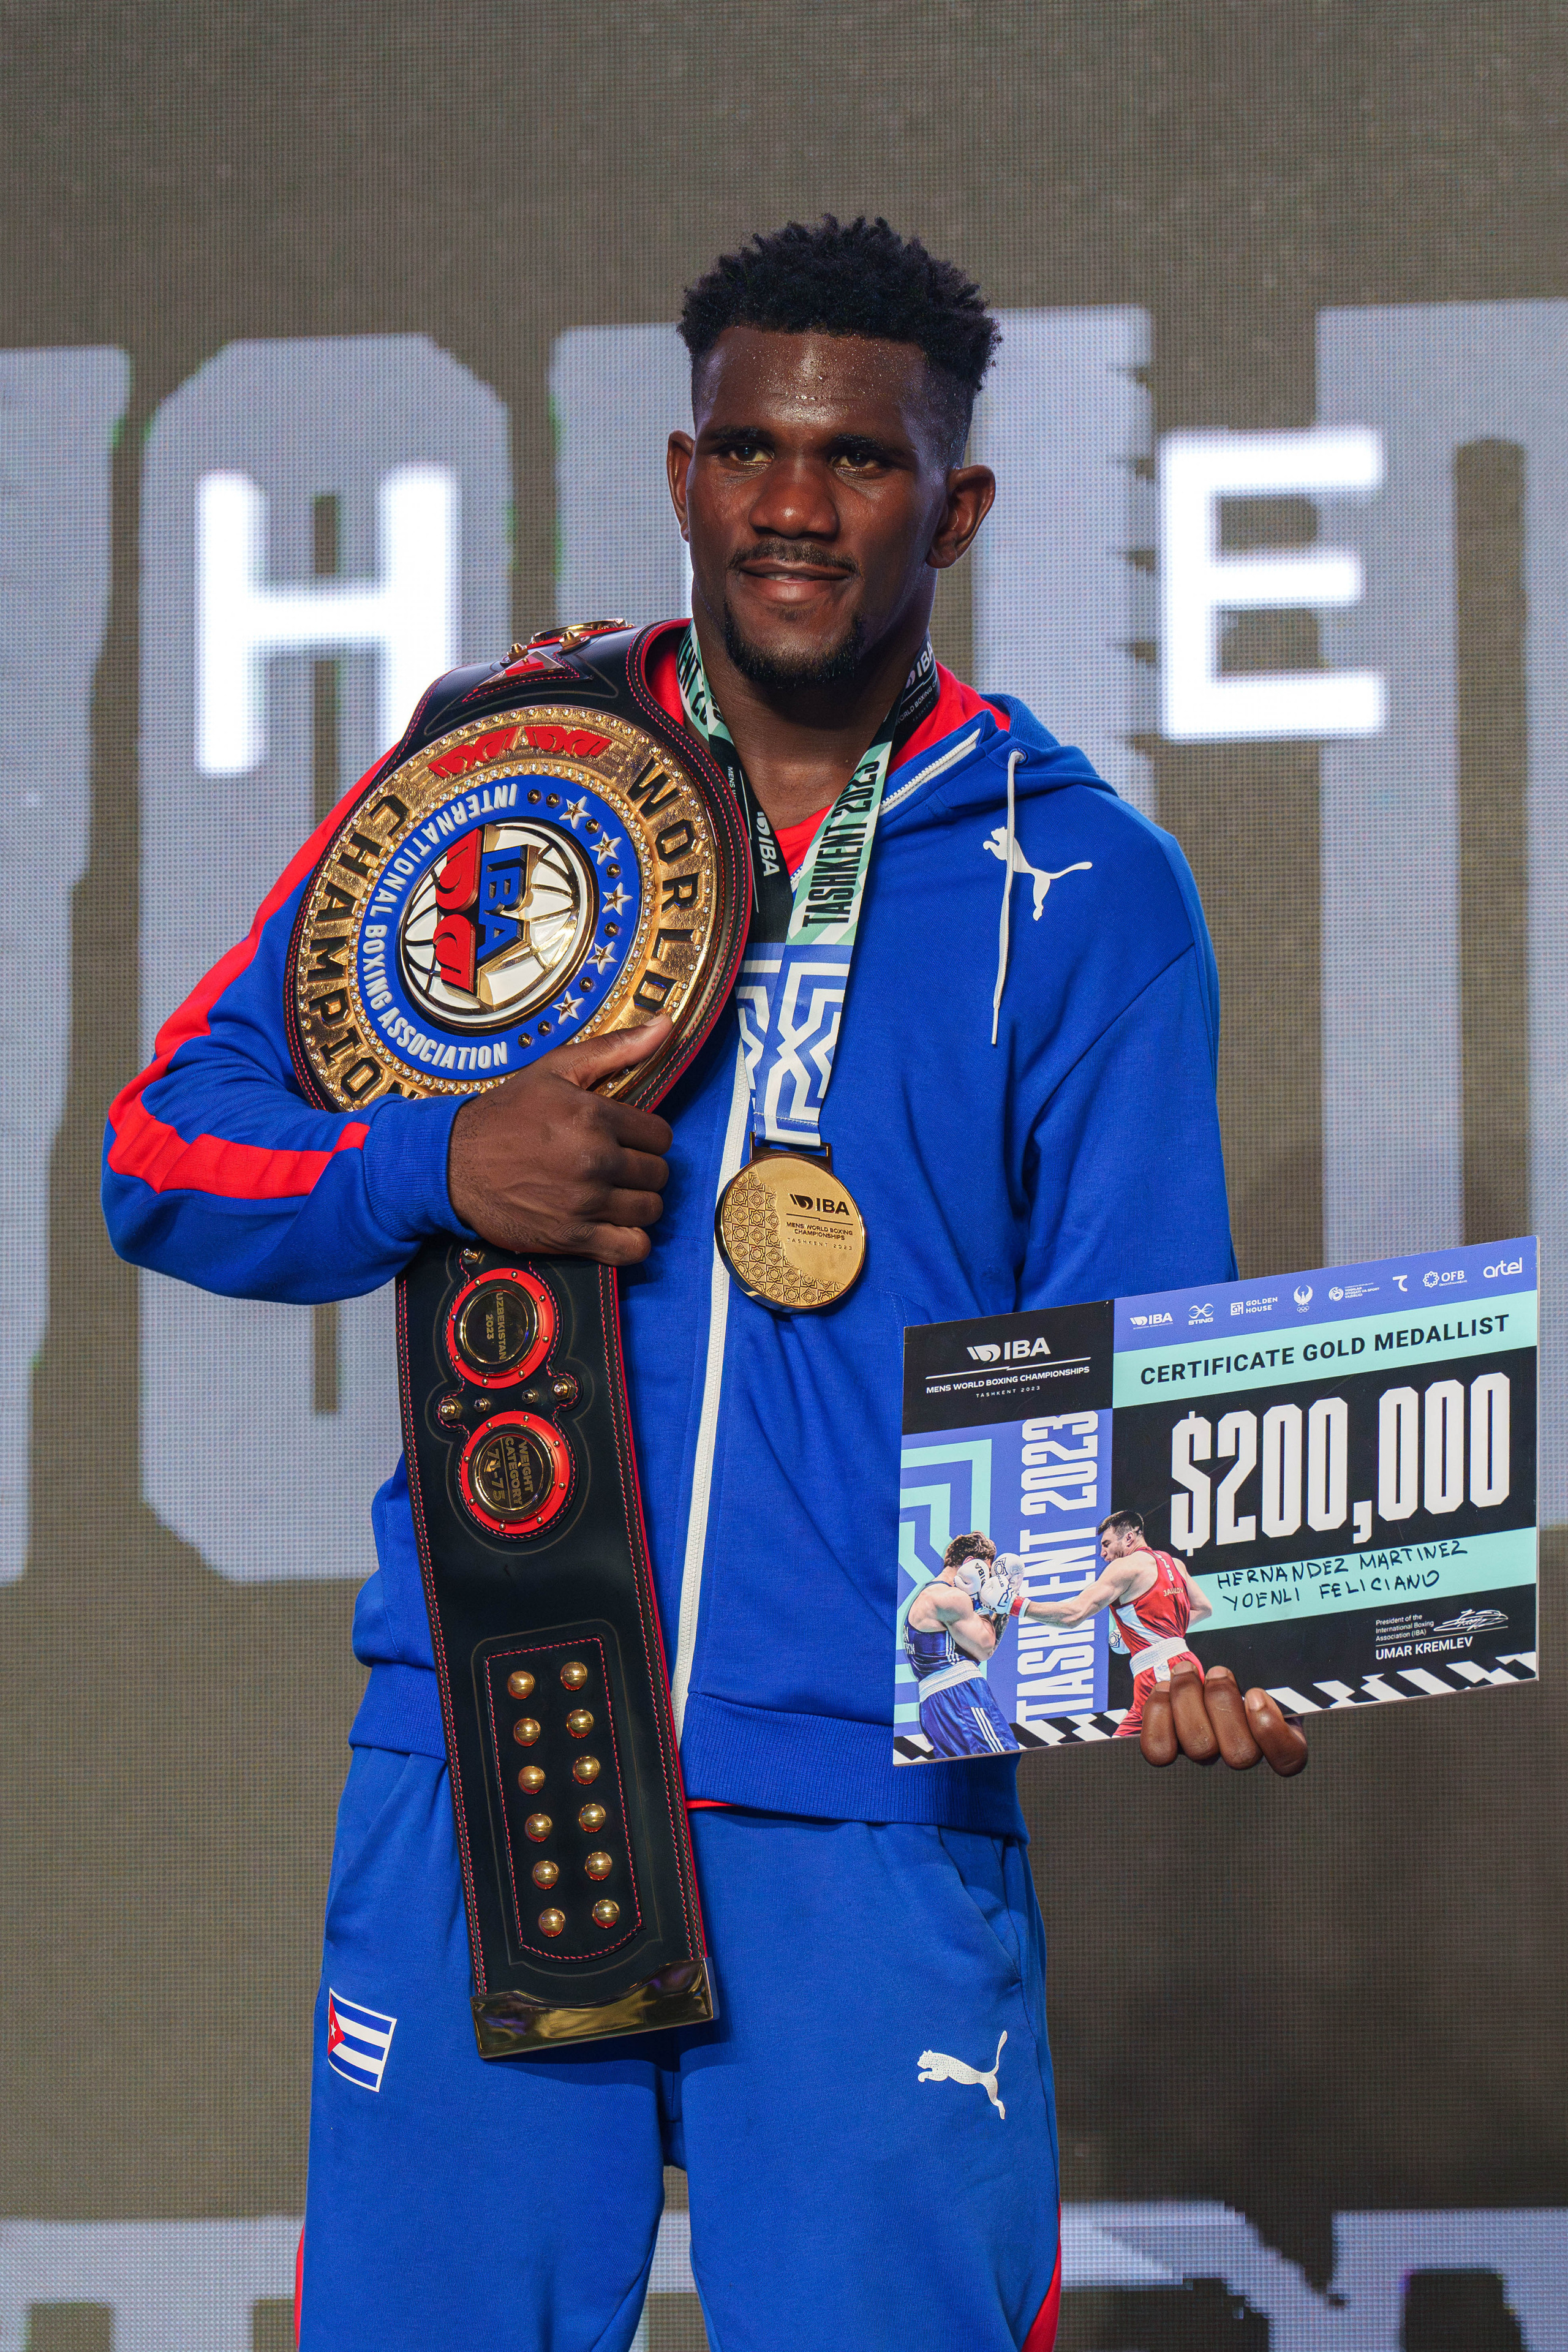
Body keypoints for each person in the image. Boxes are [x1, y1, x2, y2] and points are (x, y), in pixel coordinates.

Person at [103, 217, 1248, 2352]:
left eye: (859, 461)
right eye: (748, 450)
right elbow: (167, 1152)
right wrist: (434, 1161)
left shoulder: (1080, 880)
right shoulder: (482, 792)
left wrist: (1202, 1611)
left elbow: (1143, 1351)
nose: (793, 506)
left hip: (867, 1811)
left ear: (959, 502)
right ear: (682, 471)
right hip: (490, 1735)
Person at [1020, 1509, 1215, 1740]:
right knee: (1177, 1746)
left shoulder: (1125, 1567)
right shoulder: (1174, 1563)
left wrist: (1015, 1606)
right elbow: (1204, 1609)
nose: (1102, 1554)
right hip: (1186, 1661)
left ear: (1129, 1538)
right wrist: (1150, 1634)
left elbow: (1073, 1614)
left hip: (1160, 1671)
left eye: (1107, 1544)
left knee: (1123, 1757)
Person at [905, 1531, 1020, 1758]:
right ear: (971, 1565)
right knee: (1001, 1761)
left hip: (933, 1705)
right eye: (986, 1573)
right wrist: (1004, 1601)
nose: (987, 1583)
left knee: (966, 1778)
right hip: (961, 1696)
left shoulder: (930, 1595)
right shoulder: (950, 1598)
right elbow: (986, 1647)